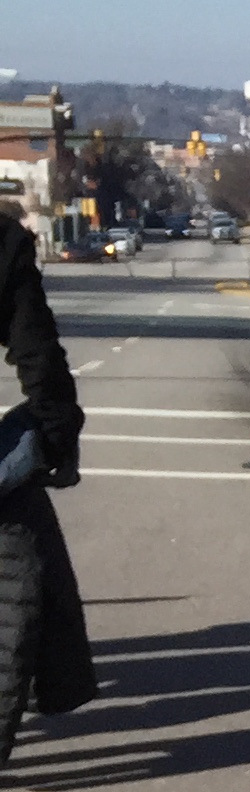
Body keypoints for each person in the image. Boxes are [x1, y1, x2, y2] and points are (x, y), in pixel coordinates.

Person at [0, 200, 96, 757]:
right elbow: (36, 351)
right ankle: (60, 681)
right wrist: (57, 433)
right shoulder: (4, 243)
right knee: (30, 556)